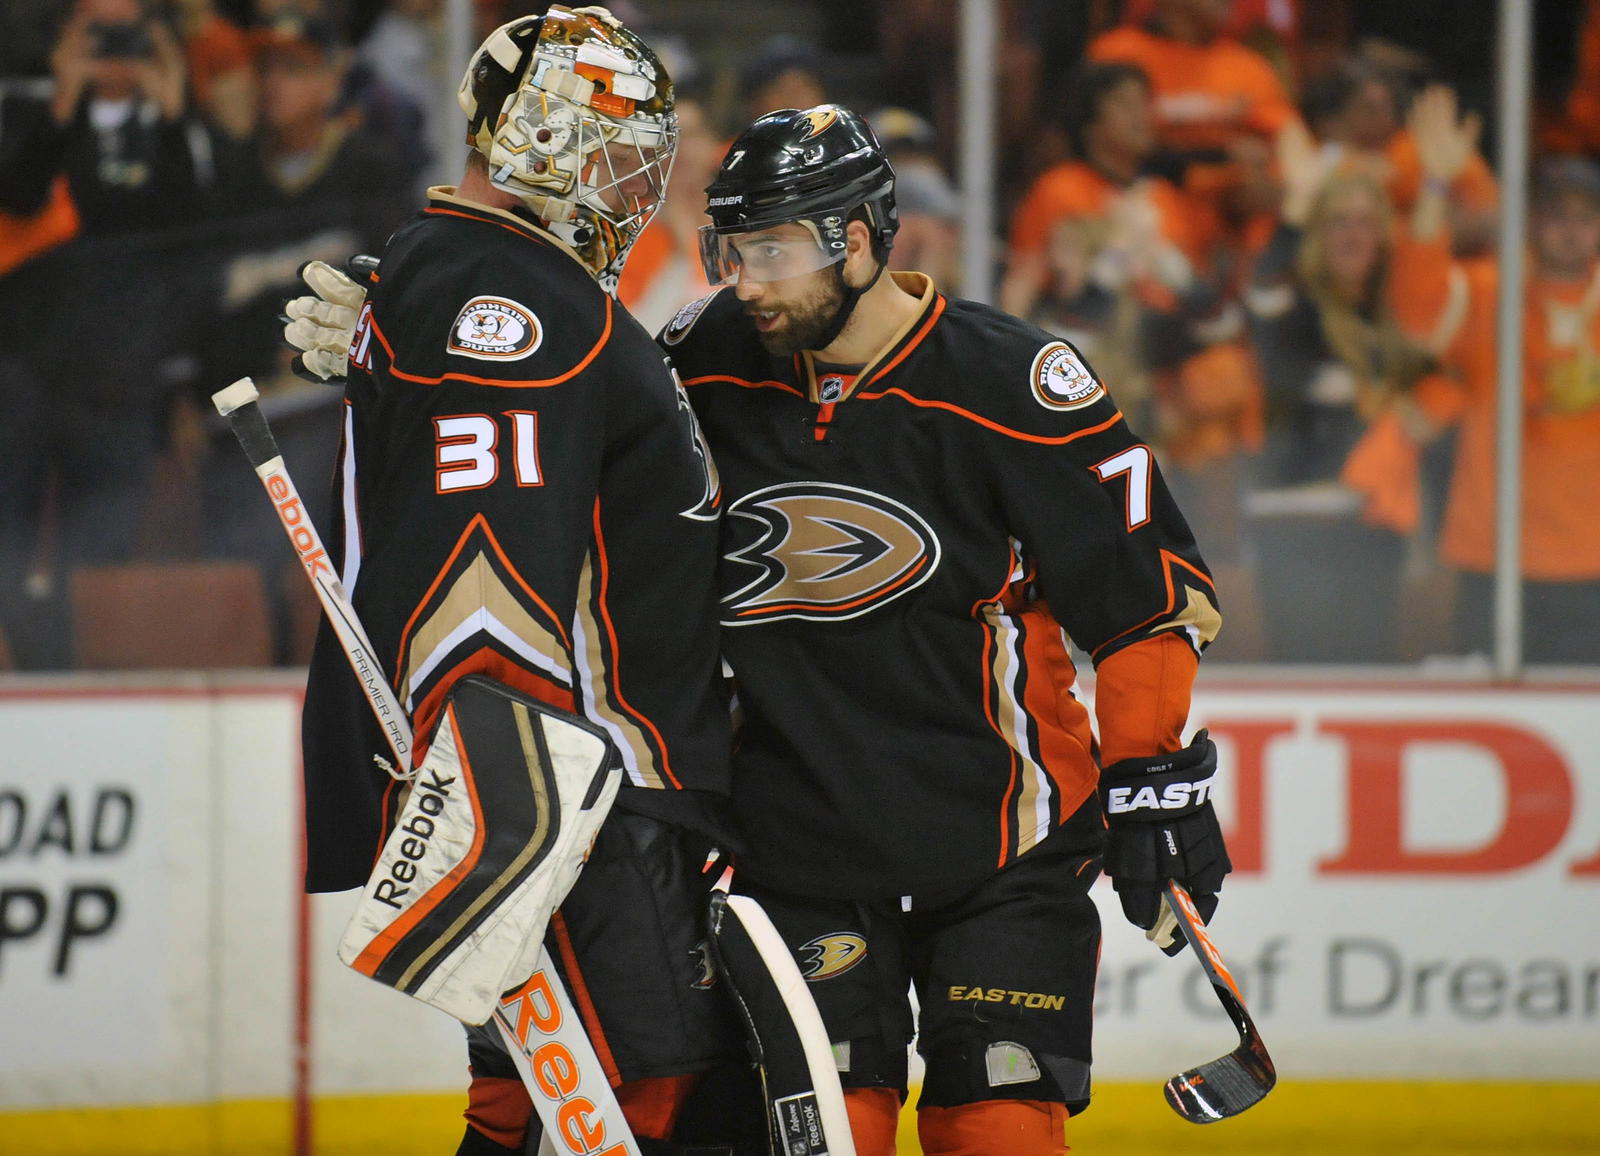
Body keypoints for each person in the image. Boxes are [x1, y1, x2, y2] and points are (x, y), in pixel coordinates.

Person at [667, 105, 1230, 1154]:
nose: (744, 277)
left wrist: (1147, 778)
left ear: (864, 240)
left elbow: (1144, 595)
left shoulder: (1012, 385)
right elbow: (553, 426)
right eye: (732, 248)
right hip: (795, 846)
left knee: (995, 1131)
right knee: (829, 1135)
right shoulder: (699, 365)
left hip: (1002, 846)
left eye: (773, 249)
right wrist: (413, 347)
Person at [291, 8, 743, 1153]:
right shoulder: (516, 295)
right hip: (579, 788)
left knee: (526, 1097)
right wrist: (508, 801)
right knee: (638, 1096)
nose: (636, 174)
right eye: (610, 141)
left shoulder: (503, 281)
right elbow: (477, 568)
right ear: (535, 140)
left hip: (568, 783)